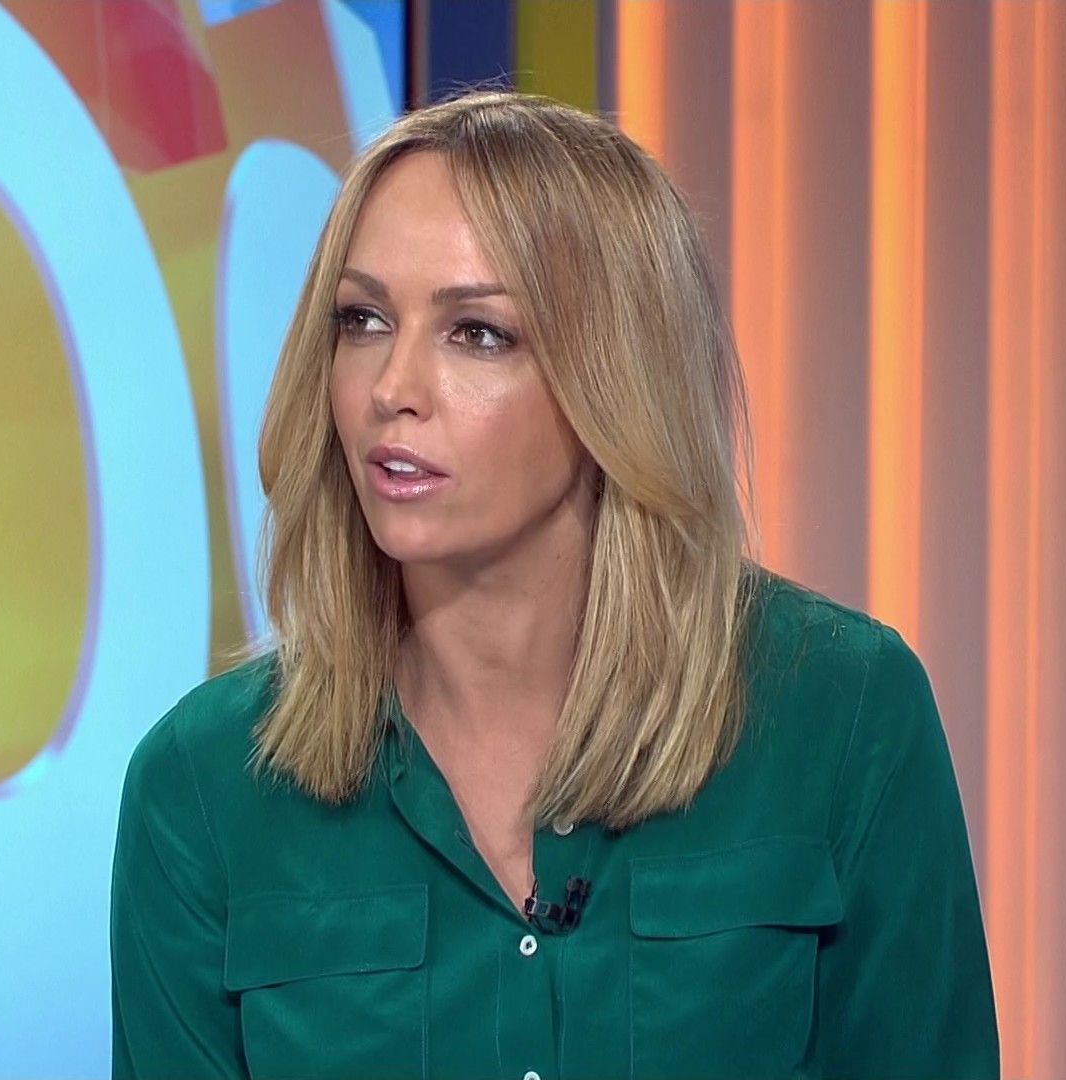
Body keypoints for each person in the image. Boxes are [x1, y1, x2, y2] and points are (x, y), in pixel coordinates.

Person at [110, 88, 998, 1080]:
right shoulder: (202, 789)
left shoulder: (842, 715)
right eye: (363, 320)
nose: (392, 389)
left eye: (477, 333)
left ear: (615, 377)